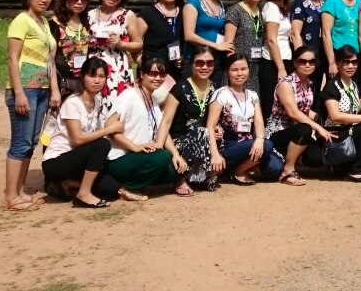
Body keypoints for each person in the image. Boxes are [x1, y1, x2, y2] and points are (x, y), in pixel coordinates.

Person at [3, 0, 58, 211]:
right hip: (25, 89)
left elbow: (50, 61)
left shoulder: (44, 23)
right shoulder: (21, 21)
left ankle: (20, 190)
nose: (45, 0)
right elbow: (12, 57)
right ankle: (10, 196)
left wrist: (54, 89)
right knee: (20, 142)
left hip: (43, 89)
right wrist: (19, 93)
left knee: (31, 142)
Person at [41, 57, 123, 208]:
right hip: (56, 162)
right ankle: (83, 193)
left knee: (110, 188)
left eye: (101, 76)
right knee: (102, 144)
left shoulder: (96, 101)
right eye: (92, 76)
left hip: (77, 159)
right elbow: (77, 139)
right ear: (82, 78)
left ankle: (67, 183)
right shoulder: (73, 103)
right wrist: (109, 130)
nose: (97, 81)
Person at [106, 57, 185, 200]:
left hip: (142, 157)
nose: (158, 78)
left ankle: (138, 181)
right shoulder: (129, 96)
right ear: (142, 74)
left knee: (177, 170)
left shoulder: (153, 100)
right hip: (120, 157)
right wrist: (134, 147)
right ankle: (129, 188)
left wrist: (175, 153)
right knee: (162, 156)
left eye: (162, 75)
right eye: (153, 74)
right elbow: (109, 127)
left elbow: (163, 130)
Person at [207, 53, 283, 184]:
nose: (239, 73)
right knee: (267, 145)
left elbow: (259, 122)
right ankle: (238, 172)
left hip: (249, 144)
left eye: (243, 69)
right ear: (227, 72)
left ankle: (236, 169)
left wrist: (259, 140)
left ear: (249, 70)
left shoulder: (253, 95)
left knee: (276, 168)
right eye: (234, 70)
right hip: (228, 146)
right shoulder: (220, 94)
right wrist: (215, 154)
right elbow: (210, 125)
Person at [266, 46, 331, 186]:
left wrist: (325, 121)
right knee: (305, 128)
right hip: (279, 132)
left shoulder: (310, 83)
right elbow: (294, 113)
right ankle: (287, 171)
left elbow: (306, 110)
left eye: (312, 61)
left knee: (318, 157)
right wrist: (318, 128)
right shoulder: (286, 84)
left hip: (297, 131)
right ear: (295, 63)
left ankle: (294, 157)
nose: (307, 65)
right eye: (302, 61)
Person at [157, 46, 219, 192]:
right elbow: (165, 121)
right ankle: (179, 178)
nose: (205, 67)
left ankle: (197, 176)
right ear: (191, 64)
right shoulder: (180, 88)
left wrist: (218, 128)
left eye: (209, 63)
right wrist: (162, 149)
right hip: (179, 141)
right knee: (203, 132)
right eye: (199, 63)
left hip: (203, 138)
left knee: (208, 133)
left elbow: (214, 120)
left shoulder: (215, 88)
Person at [319, 46, 361, 182]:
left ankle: (344, 165)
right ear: (337, 63)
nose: (350, 66)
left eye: (354, 62)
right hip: (333, 133)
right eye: (345, 62)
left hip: (349, 130)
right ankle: (356, 171)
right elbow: (335, 116)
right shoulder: (332, 86)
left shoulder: (354, 85)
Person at [87, 0, 143, 114]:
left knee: (117, 107)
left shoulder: (127, 15)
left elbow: (139, 44)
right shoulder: (89, 15)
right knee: (93, 105)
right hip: (93, 66)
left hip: (117, 66)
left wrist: (122, 44)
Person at [182, 0, 232, 84]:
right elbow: (188, 35)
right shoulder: (194, 2)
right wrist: (215, 45)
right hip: (197, 61)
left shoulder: (222, 5)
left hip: (216, 62)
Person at [133, 0, 184, 76]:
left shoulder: (185, 13)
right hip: (152, 70)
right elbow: (134, 42)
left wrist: (183, 57)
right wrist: (142, 63)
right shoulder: (147, 13)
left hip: (177, 70)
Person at [224, 0, 267, 97]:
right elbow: (228, 44)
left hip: (255, 66)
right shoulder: (235, 11)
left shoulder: (261, 10)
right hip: (239, 67)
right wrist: (235, 69)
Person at [260, 0, 294, 119]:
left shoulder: (282, 8)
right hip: (273, 63)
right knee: (271, 104)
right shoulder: (272, 7)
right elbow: (272, 40)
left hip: (283, 59)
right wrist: (280, 68)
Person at [49, 0, 91, 98]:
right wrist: (55, 90)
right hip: (62, 82)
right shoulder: (54, 24)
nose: (79, 2)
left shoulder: (88, 23)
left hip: (83, 84)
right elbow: (49, 60)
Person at [290, 0, 327, 81]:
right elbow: (295, 33)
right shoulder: (299, 2)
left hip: (322, 56)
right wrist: (301, 59)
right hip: (307, 58)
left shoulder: (325, 2)